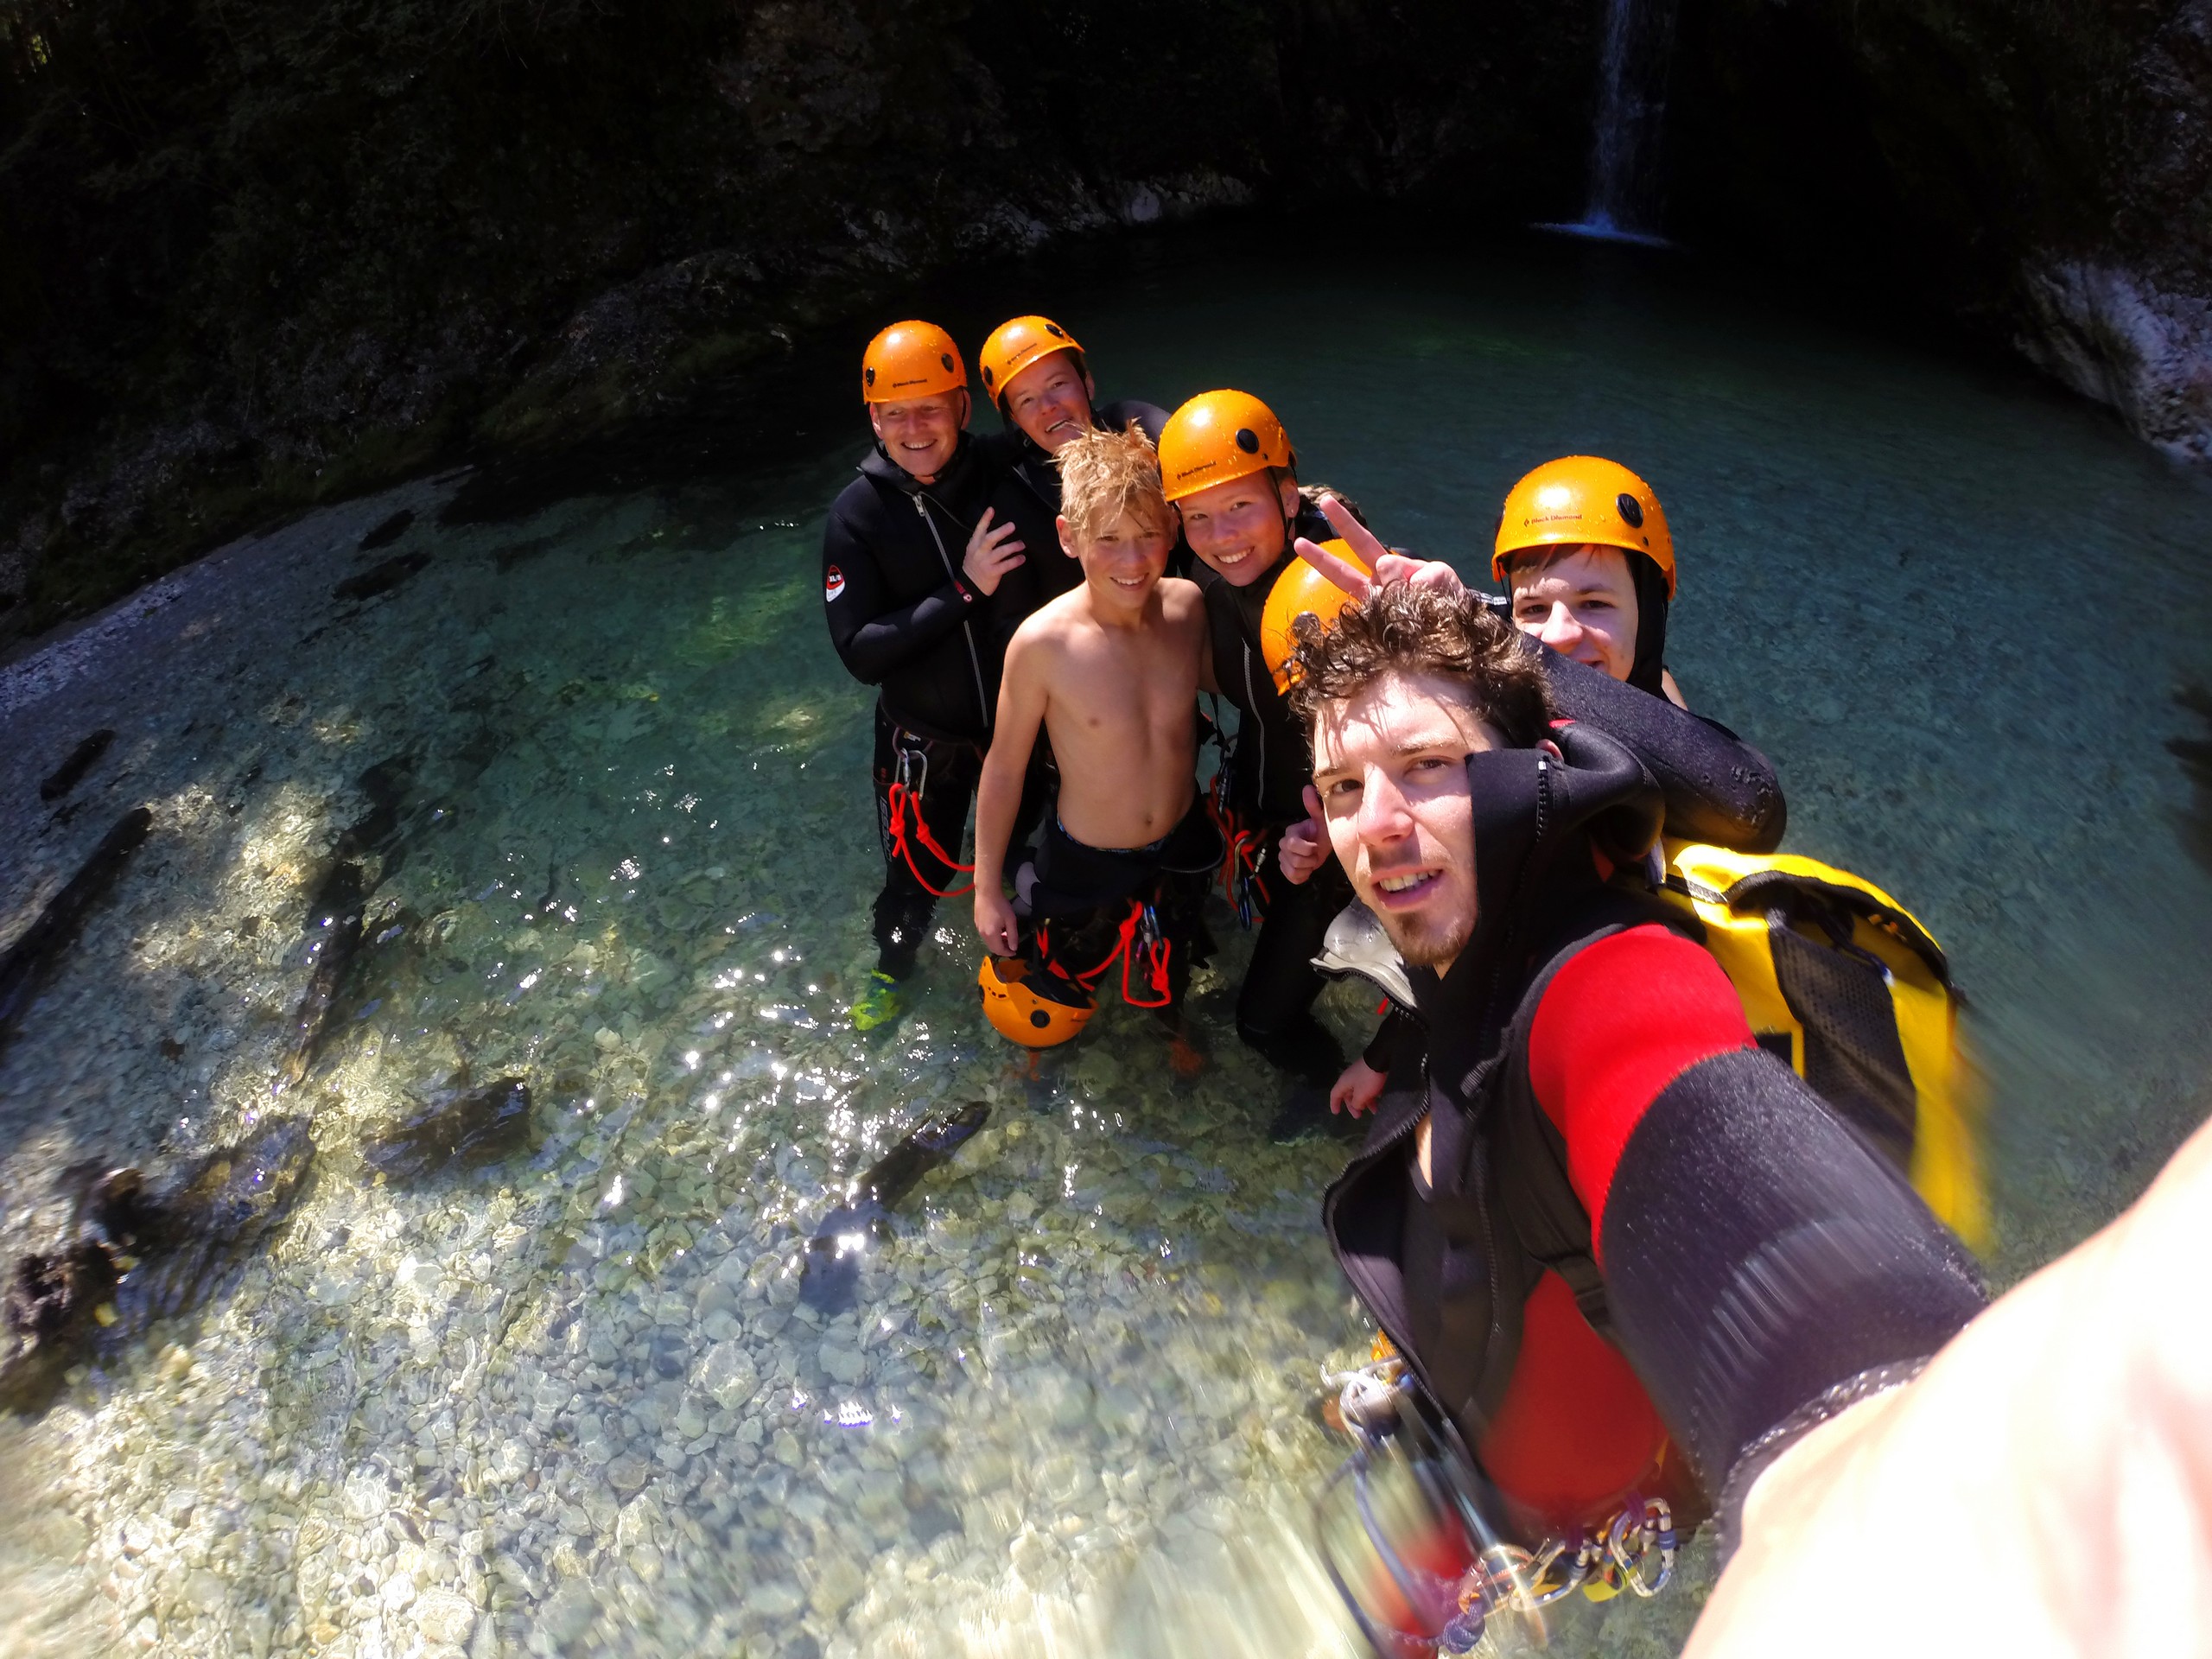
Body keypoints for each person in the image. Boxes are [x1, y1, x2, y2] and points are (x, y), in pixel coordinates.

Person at [1294, 581, 1988, 1580]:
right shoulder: (1464, 948)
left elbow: (1763, 1222)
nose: (1378, 826)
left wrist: (1871, 1482)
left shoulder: (1604, 977)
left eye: (1427, 766)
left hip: (1561, 1529)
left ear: (1530, 775)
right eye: (1342, 789)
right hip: (1486, 1419)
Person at [970, 423, 1220, 1061]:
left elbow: (1248, 689)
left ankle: (1171, 1030)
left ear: (1170, 529)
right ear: (1068, 536)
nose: (1132, 562)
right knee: (1061, 979)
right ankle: (1038, 1054)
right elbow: (1003, 769)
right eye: (1108, 540)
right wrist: (986, 887)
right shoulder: (1043, 644)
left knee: (1177, 950)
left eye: (1146, 538)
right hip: (1087, 857)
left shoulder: (1188, 609)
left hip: (1182, 836)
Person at [1156, 390, 1365, 1111]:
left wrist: (1336, 834)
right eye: (1200, 516)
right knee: (1268, 966)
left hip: (1329, 843)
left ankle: (1333, 1102)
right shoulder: (1207, 574)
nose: (1223, 536)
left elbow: (1398, 746)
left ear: (1286, 494)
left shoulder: (1334, 587)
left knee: (1263, 1024)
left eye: (1241, 507)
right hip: (1270, 809)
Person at [822, 320, 1028, 1031]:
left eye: (931, 408)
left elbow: (1095, 425)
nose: (914, 429)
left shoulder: (1006, 470)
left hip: (1020, 730)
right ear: (873, 418)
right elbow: (859, 652)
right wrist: (963, 590)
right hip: (923, 740)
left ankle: (1024, 975)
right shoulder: (857, 516)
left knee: (1030, 862)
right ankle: (893, 970)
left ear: (963, 408)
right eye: (895, 413)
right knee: (915, 881)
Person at [973, 314, 1171, 632]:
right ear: (1014, 419)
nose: (1048, 406)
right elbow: (1010, 625)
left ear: (1087, 383)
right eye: (1026, 400)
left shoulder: (1138, 432)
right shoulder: (1011, 502)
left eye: (1058, 384)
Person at [1493, 454, 1688, 708]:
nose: (1557, 636)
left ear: (1649, 614)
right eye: (1534, 609)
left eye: (1594, 604)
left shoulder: (1692, 743)